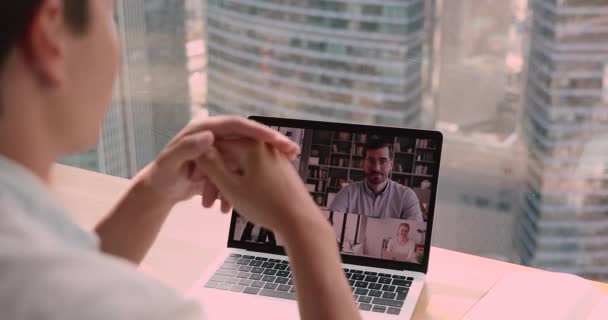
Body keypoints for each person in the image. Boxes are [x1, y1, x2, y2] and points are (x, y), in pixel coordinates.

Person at [0, 1, 360, 320]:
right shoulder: (148, 309)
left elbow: (71, 278)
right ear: (50, 36)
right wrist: (306, 227)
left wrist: (153, 190)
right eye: (110, 14)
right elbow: (79, 295)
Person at [328, 139, 423, 222]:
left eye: (383, 161)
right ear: (363, 164)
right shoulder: (347, 193)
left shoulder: (407, 196)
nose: (376, 168)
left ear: (391, 164)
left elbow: (414, 238)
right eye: (371, 161)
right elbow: (329, 226)